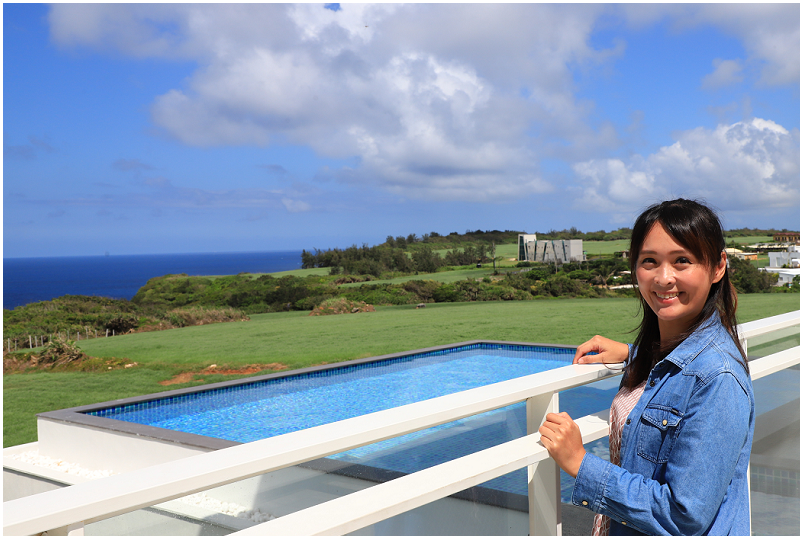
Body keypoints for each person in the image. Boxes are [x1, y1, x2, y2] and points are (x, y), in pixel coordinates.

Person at [538, 199, 754, 536]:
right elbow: (679, 371)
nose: (663, 278)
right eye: (649, 261)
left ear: (718, 266)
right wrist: (632, 353)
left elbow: (684, 515)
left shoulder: (718, 378)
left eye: (682, 261)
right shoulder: (672, 355)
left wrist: (580, 463)